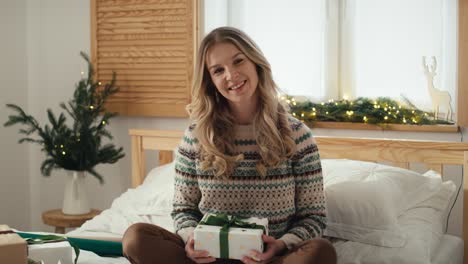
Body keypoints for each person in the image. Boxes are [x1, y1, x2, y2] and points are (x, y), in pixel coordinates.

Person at [122, 26, 336, 264]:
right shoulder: (196, 136)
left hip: (271, 259)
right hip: (208, 259)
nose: (231, 75)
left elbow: (313, 217)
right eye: (218, 70)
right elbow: (184, 210)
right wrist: (191, 238)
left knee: (320, 251)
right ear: (210, 81)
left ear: (255, 63)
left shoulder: (297, 136)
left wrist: (280, 245)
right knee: (136, 237)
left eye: (238, 62)